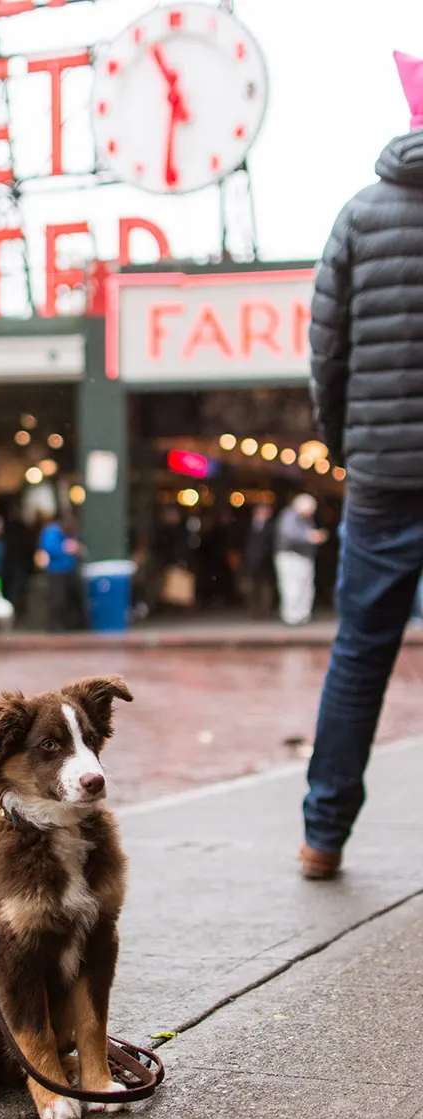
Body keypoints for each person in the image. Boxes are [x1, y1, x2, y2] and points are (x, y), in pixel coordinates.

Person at [299, 49, 423, 879]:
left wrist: (345, 443)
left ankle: (321, 836)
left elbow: (326, 351)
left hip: (380, 471)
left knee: (359, 654)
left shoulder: (358, 212)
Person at [273, 495, 327, 626]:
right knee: (292, 586)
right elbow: (290, 534)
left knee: (305, 587)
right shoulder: (289, 516)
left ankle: (302, 614)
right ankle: (292, 616)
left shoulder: (305, 519)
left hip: (304, 556)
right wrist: (311, 537)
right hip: (291, 556)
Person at [39, 515, 86, 632]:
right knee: (58, 600)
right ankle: (56, 628)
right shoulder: (52, 531)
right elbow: (49, 548)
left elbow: (78, 549)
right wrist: (65, 548)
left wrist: (78, 549)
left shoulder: (69, 534)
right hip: (56, 571)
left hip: (70, 570)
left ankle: (74, 626)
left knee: (73, 599)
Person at [242, 503, 275, 618]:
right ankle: (253, 610)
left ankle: (264, 610)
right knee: (251, 587)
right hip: (251, 561)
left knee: (265, 587)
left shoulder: (271, 526)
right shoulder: (248, 525)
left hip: (266, 561)